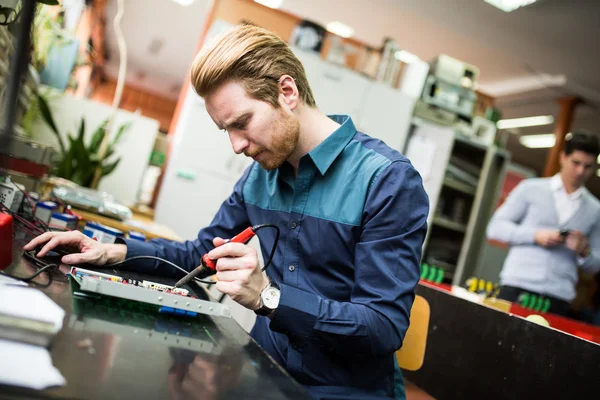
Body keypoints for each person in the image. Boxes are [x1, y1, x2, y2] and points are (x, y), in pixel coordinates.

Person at [25, 24, 429, 399]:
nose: (237, 146)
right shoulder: (260, 175)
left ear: (287, 92)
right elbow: (202, 253)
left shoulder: (387, 180)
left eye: (242, 123)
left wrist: (268, 297)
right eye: (227, 131)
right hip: (263, 371)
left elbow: (382, 327)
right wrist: (110, 250)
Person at [487, 131, 600, 316]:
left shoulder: (595, 210)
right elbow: (495, 228)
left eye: (587, 166)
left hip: (559, 297)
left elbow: (596, 264)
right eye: (576, 163)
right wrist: (535, 235)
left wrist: (584, 251)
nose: (580, 172)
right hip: (517, 286)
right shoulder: (530, 189)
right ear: (563, 157)